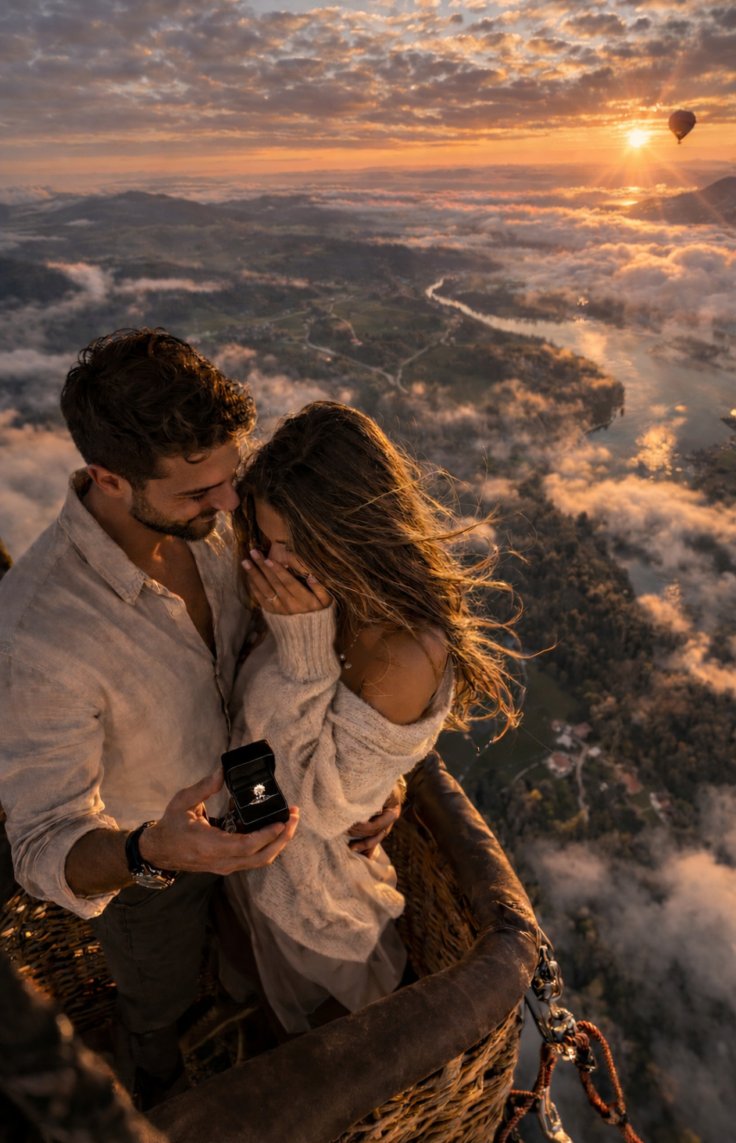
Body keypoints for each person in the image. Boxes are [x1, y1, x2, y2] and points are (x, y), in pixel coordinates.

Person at [0, 329, 302, 1107]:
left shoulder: (215, 525)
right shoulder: (38, 633)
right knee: (156, 1003)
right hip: (151, 877)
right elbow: (40, 847)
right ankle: (159, 1084)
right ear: (107, 478)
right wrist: (151, 848)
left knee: (252, 965)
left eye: (230, 478)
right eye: (199, 493)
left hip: (265, 812)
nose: (230, 504)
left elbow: (263, 654)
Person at [225, 401, 518, 1033]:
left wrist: (303, 654)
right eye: (269, 541)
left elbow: (319, 807)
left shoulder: (404, 652)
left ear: (356, 536)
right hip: (250, 851)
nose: (273, 563)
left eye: (294, 546)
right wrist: (389, 776)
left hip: (313, 893)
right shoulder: (313, 594)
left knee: (329, 1035)